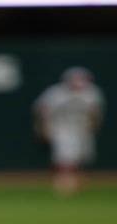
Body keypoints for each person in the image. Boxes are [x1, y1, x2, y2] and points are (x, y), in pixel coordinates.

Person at [33, 67, 105, 196]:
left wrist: (93, 126)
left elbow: (95, 112)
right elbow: (42, 109)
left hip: (82, 129)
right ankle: (63, 182)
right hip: (62, 128)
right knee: (64, 158)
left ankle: (74, 181)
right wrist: (44, 127)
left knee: (81, 158)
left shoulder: (92, 92)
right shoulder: (55, 93)